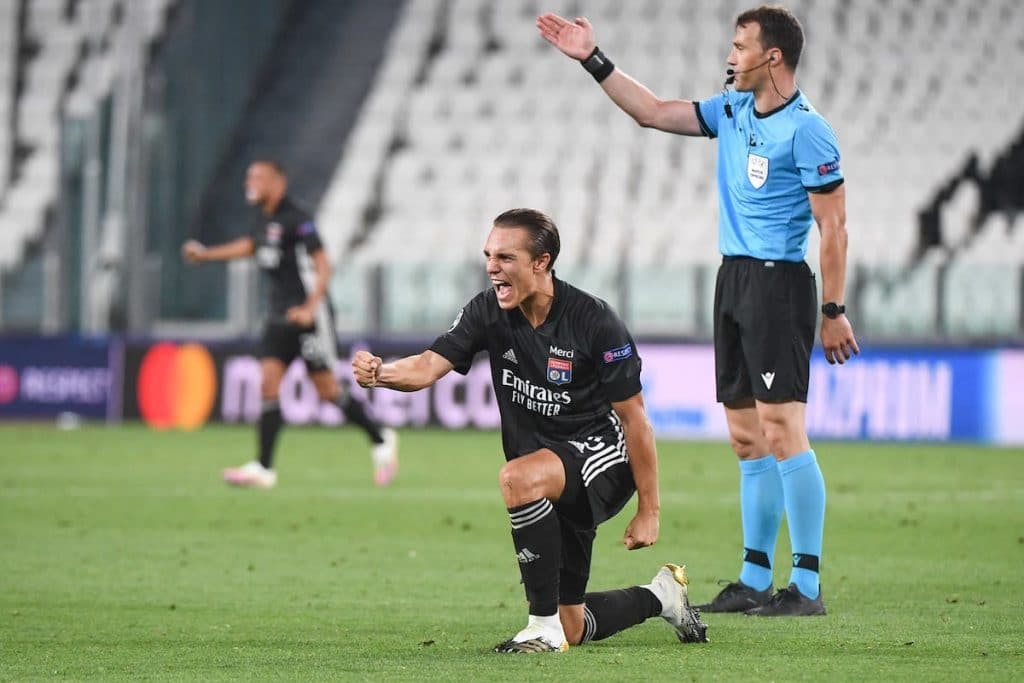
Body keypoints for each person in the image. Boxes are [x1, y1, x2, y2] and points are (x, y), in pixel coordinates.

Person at [538, 5, 859, 616]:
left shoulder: (809, 129)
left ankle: (808, 586)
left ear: (773, 57)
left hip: (778, 283)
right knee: (744, 437)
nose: (729, 55)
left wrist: (833, 308)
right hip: (733, 278)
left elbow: (834, 227)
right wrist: (592, 60)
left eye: (740, 46)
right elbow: (652, 111)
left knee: (782, 430)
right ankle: (753, 577)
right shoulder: (733, 109)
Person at [352, 209, 708, 652]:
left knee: (517, 478)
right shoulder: (488, 310)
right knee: (573, 625)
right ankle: (662, 597)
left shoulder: (594, 321)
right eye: (488, 255)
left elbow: (636, 420)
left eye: (505, 257)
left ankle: (540, 628)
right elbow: (427, 367)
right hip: (548, 472)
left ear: (540, 263)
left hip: (603, 459)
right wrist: (381, 373)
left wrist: (649, 509)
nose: (491, 266)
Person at [182, 160, 398, 489]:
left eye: (257, 178)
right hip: (278, 316)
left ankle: (381, 438)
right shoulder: (264, 219)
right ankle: (264, 469)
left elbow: (324, 266)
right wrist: (207, 255)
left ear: (277, 182)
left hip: (309, 316)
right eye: (248, 177)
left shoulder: (298, 220)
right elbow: (251, 246)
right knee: (268, 384)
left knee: (328, 392)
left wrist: (311, 308)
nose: (249, 184)